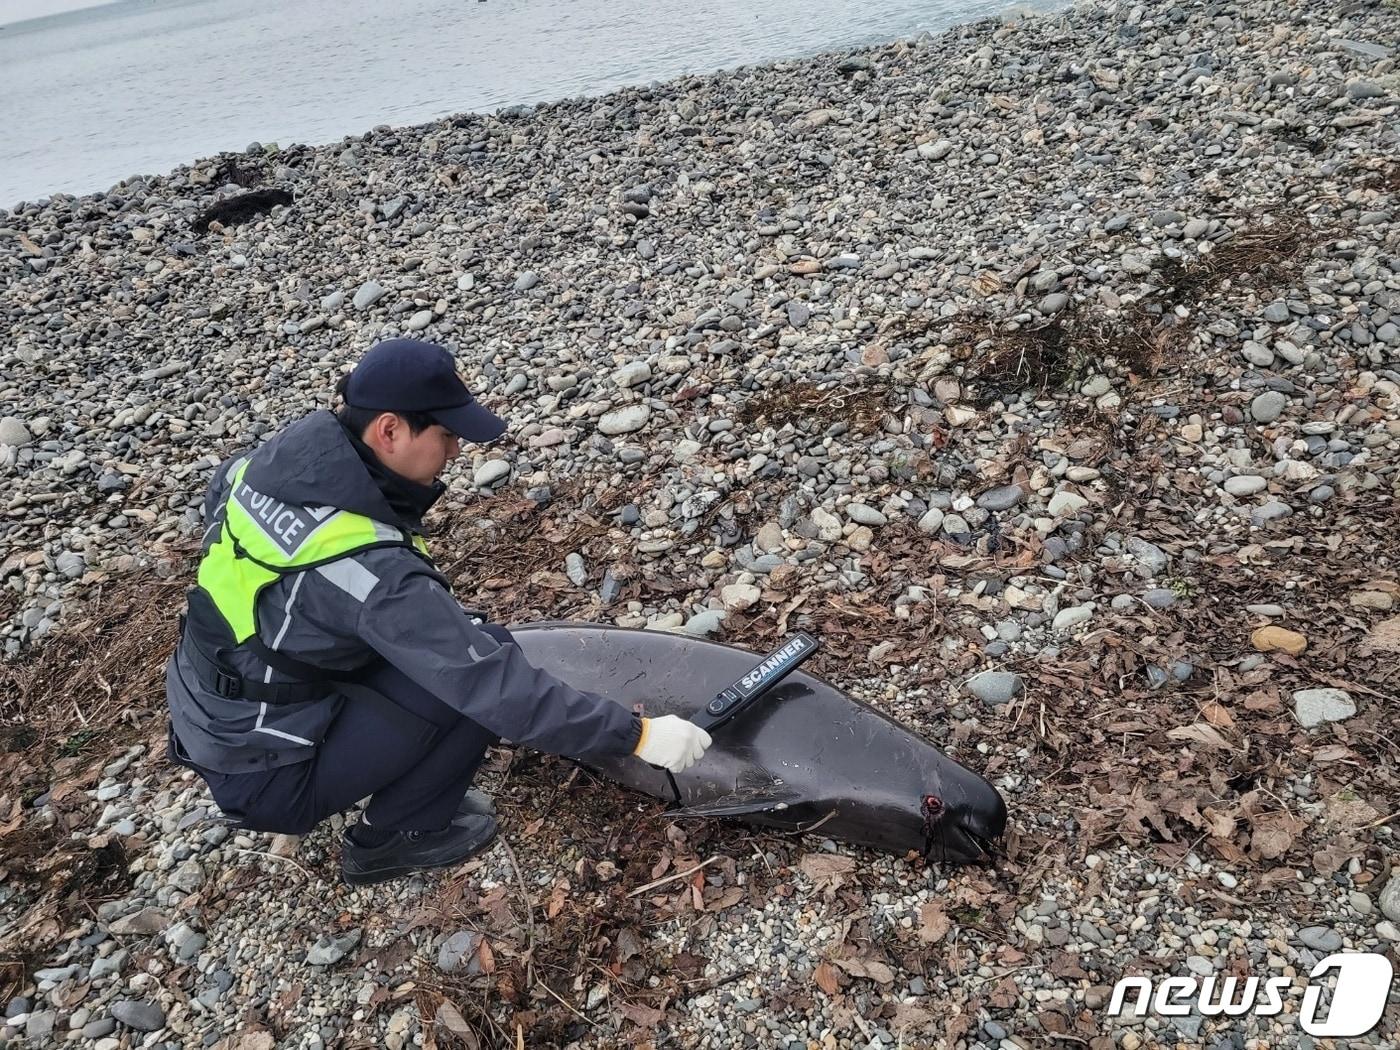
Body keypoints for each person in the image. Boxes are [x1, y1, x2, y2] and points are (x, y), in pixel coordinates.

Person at [164, 338, 711, 885]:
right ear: (389, 430)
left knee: (468, 640)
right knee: (475, 669)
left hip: (208, 713)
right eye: (446, 436)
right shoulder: (369, 571)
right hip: (265, 773)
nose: (453, 454)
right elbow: (492, 687)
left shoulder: (266, 469)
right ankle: (391, 839)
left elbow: (229, 520)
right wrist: (637, 737)